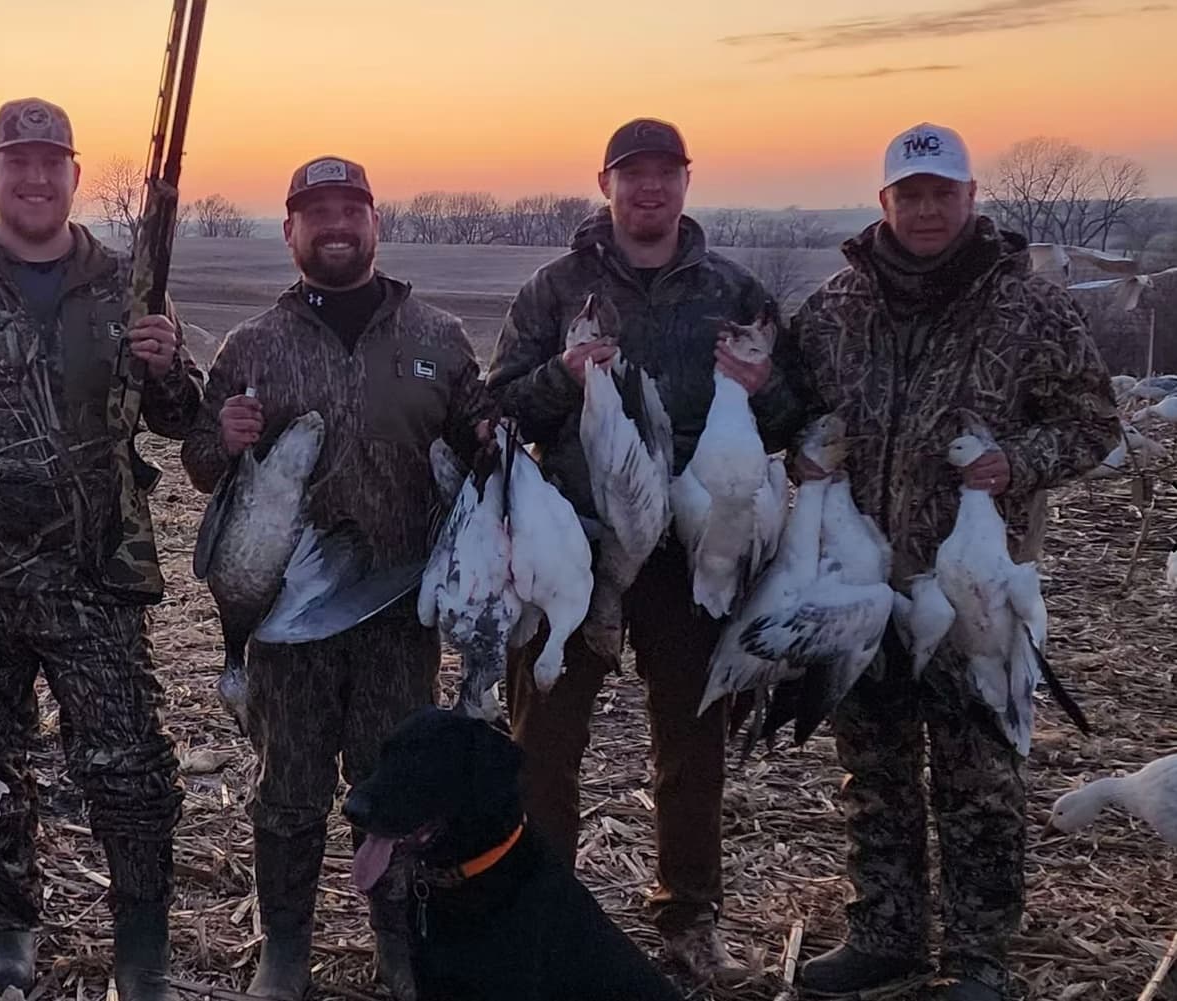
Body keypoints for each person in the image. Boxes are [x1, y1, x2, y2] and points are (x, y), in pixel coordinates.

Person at [0, 97, 203, 1001]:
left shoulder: (129, 279)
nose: (34, 175)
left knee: (128, 761)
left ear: (73, 173)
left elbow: (179, 418)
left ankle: (140, 942)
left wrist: (169, 363)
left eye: (51, 159)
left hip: (94, 574)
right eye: (16, 159)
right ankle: (8, 923)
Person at [788, 122, 1116, 1001]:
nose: (927, 209)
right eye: (911, 194)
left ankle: (978, 958)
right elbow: (792, 416)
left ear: (972, 199)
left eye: (943, 193)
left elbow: (1094, 423)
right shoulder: (831, 310)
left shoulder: (1031, 306)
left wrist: (1020, 460)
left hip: (977, 586)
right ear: (885, 203)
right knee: (875, 770)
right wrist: (799, 451)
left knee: (981, 778)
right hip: (863, 587)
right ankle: (886, 933)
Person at [482, 117, 804, 983]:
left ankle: (688, 920)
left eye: (665, 174)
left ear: (686, 183)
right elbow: (499, 416)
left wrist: (766, 391)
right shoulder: (554, 291)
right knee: (542, 740)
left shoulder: (736, 293)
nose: (649, 189)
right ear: (606, 184)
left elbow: (793, 430)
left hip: (695, 549)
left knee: (693, 738)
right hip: (573, 540)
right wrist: (564, 372)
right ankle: (540, 918)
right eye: (633, 175)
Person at [181, 155, 494, 1001]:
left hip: (401, 609)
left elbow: (482, 446)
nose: (335, 226)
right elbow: (203, 464)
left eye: (349, 210)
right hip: (286, 615)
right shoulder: (255, 345)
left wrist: (508, 427)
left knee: (395, 788)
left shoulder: (438, 337)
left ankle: (400, 940)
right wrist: (228, 439)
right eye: (316, 213)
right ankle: (285, 947)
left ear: (375, 223)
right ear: (290, 232)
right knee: (288, 789)